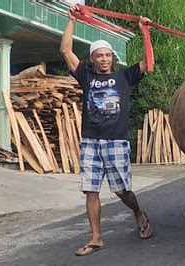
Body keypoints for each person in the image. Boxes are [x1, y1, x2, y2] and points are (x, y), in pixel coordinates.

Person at [60, 5, 152, 256]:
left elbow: (148, 62)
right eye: (99, 55)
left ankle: (138, 213)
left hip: (116, 142)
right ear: (92, 58)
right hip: (90, 141)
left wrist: (145, 31)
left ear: (112, 58)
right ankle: (97, 238)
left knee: (123, 191)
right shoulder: (86, 77)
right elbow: (66, 50)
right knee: (90, 190)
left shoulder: (125, 77)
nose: (103, 59)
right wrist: (71, 21)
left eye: (107, 55)